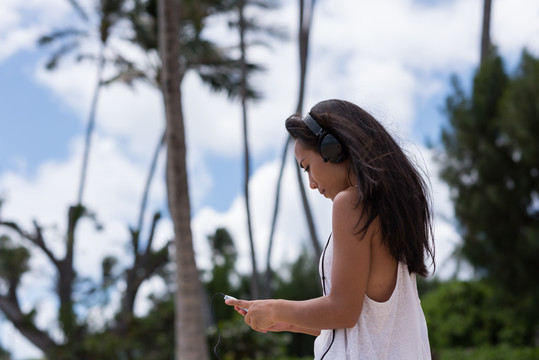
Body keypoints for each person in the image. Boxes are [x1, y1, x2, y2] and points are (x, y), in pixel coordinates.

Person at [225, 99, 435, 359]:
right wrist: (289, 322)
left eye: (307, 167)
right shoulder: (389, 212)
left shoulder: (350, 204)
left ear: (332, 149)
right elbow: (365, 324)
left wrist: (276, 307)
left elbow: (343, 310)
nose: (312, 183)